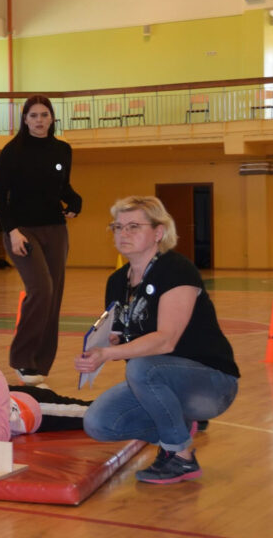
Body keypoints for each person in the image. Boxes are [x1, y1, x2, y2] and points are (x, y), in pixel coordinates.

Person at [75, 196, 239, 484]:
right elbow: (122, 334)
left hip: (211, 384)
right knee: (99, 422)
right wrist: (103, 346)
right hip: (158, 381)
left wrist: (108, 355)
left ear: (158, 232)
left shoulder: (176, 270)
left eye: (133, 226)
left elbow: (165, 341)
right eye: (117, 227)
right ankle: (177, 427)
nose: (123, 233)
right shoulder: (117, 282)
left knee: (142, 368)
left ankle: (181, 457)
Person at [0, 95, 81, 386]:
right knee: (41, 289)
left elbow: (62, 188)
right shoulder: (12, 151)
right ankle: (22, 357)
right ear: (25, 119)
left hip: (55, 229)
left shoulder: (63, 150)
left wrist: (75, 201)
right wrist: (12, 231)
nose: (39, 120)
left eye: (44, 115)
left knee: (54, 296)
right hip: (21, 230)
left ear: (52, 118)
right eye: (33, 115)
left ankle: (40, 364)